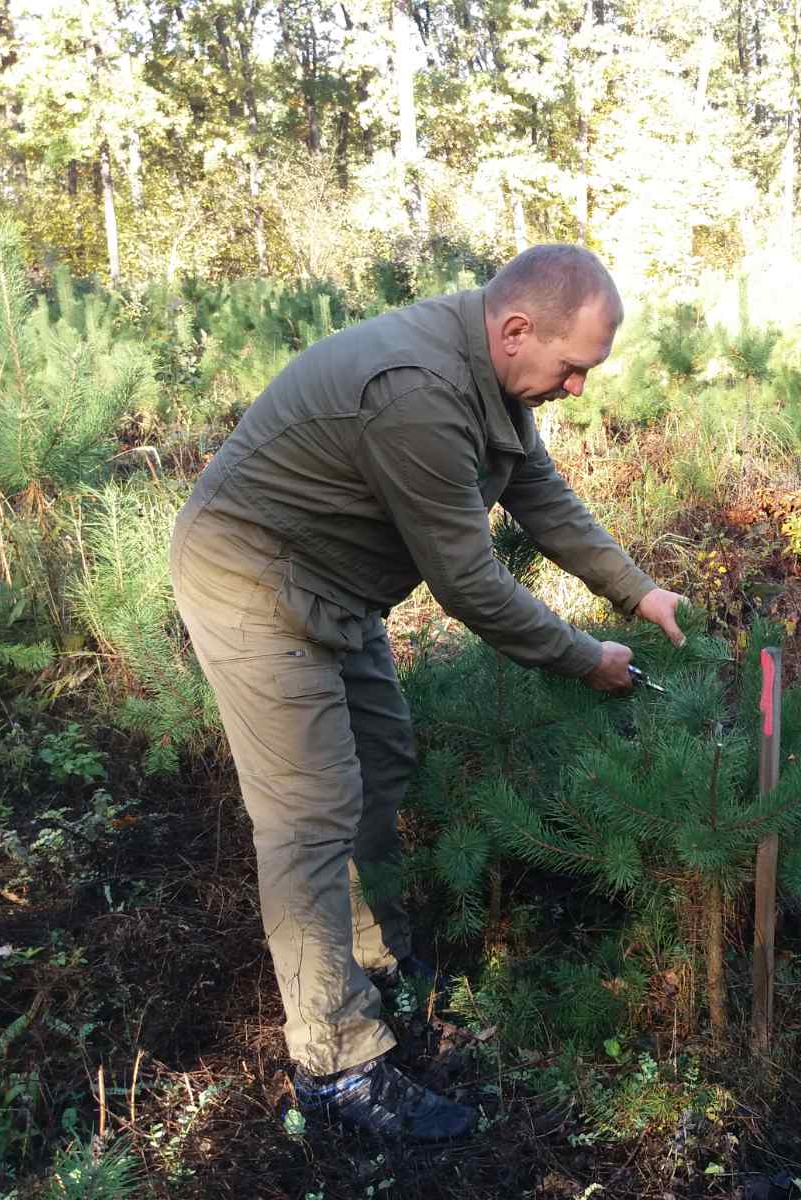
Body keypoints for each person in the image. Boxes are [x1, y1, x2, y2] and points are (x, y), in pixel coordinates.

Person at [169, 244, 687, 1141]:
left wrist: (635, 589)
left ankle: (375, 955)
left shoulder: (491, 368)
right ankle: (337, 1066)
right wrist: (582, 657)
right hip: (253, 581)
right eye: (574, 370)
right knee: (309, 815)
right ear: (518, 330)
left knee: (382, 759)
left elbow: (537, 488)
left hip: (334, 584)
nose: (578, 391)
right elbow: (471, 586)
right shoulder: (416, 392)